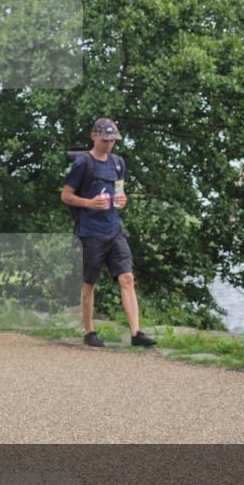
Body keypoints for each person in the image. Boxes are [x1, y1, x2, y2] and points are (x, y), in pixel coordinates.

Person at [60, 118, 156, 348]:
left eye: (113, 140)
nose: (109, 144)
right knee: (89, 283)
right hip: (89, 233)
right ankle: (89, 331)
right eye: (105, 140)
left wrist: (122, 200)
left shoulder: (118, 163)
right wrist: (89, 203)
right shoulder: (82, 163)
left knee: (127, 278)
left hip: (114, 229)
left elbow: (120, 192)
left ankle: (136, 333)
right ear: (94, 136)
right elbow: (65, 196)